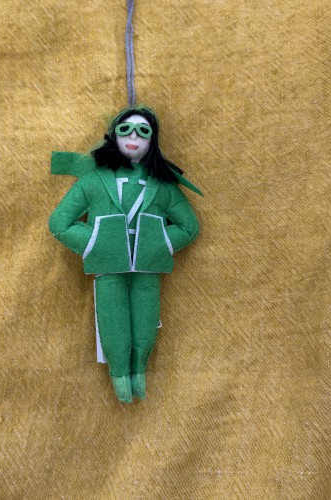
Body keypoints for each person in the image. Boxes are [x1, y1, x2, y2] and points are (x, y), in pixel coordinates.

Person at [49, 106, 201, 403]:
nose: (133, 137)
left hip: (147, 266)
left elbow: (189, 227)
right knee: (112, 317)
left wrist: (158, 243)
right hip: (108, 265)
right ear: (113, 135)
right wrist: (95, 242)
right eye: (125, 130)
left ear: (152, 140)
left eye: (143, 131)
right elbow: (59, 222)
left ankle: (139, 369)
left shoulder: (163, 185)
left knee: (146, 317)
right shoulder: (94, 181)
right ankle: (119, 373)